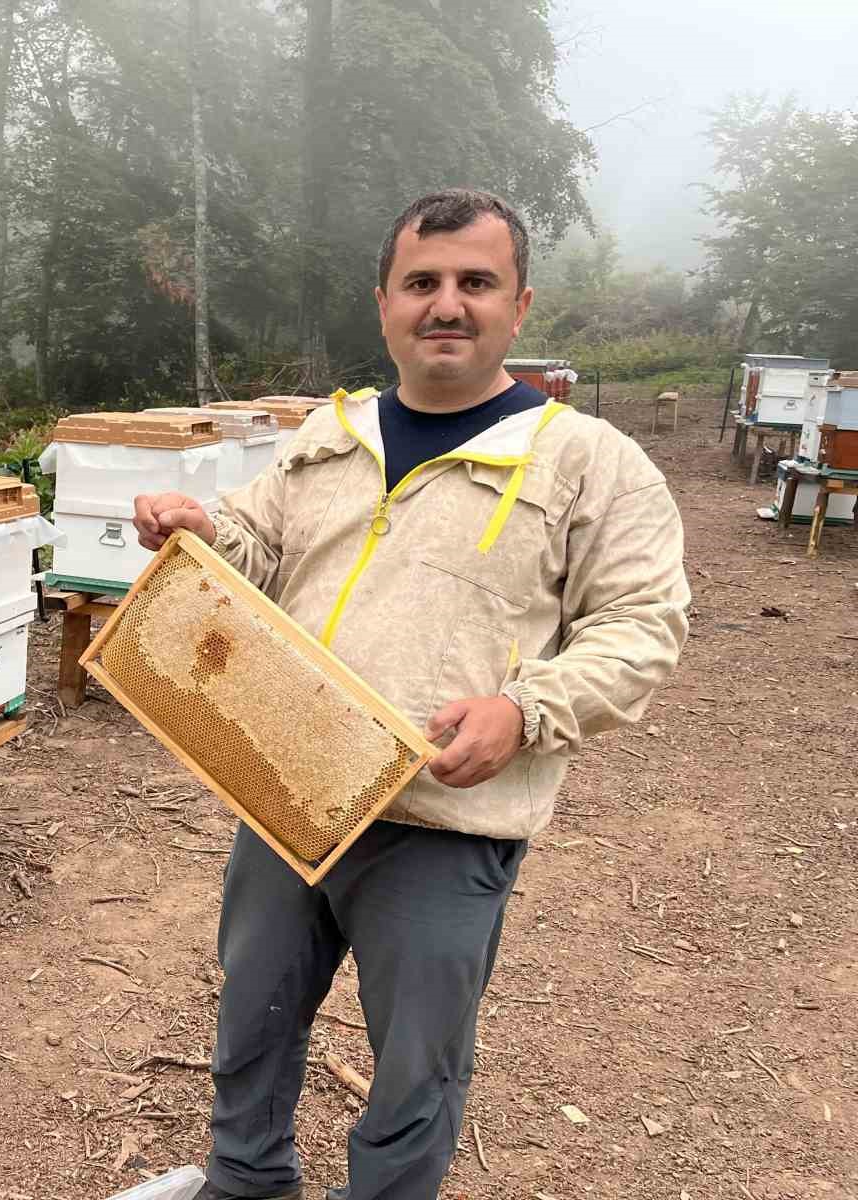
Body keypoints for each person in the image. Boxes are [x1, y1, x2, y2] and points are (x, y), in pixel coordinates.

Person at [131, 188, 691, 1200]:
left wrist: (526, 709)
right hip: (287, 794)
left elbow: (644, 624)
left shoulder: (589, 462)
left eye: (475, 283)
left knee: (414, 1063)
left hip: (446, 820)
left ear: (518, 305)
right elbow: (259, 549)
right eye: (421, 282)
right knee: (251, 1013)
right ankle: (243, 1182)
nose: (447, 304)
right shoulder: (327, 437)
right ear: (383, 301)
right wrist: (198, 531)